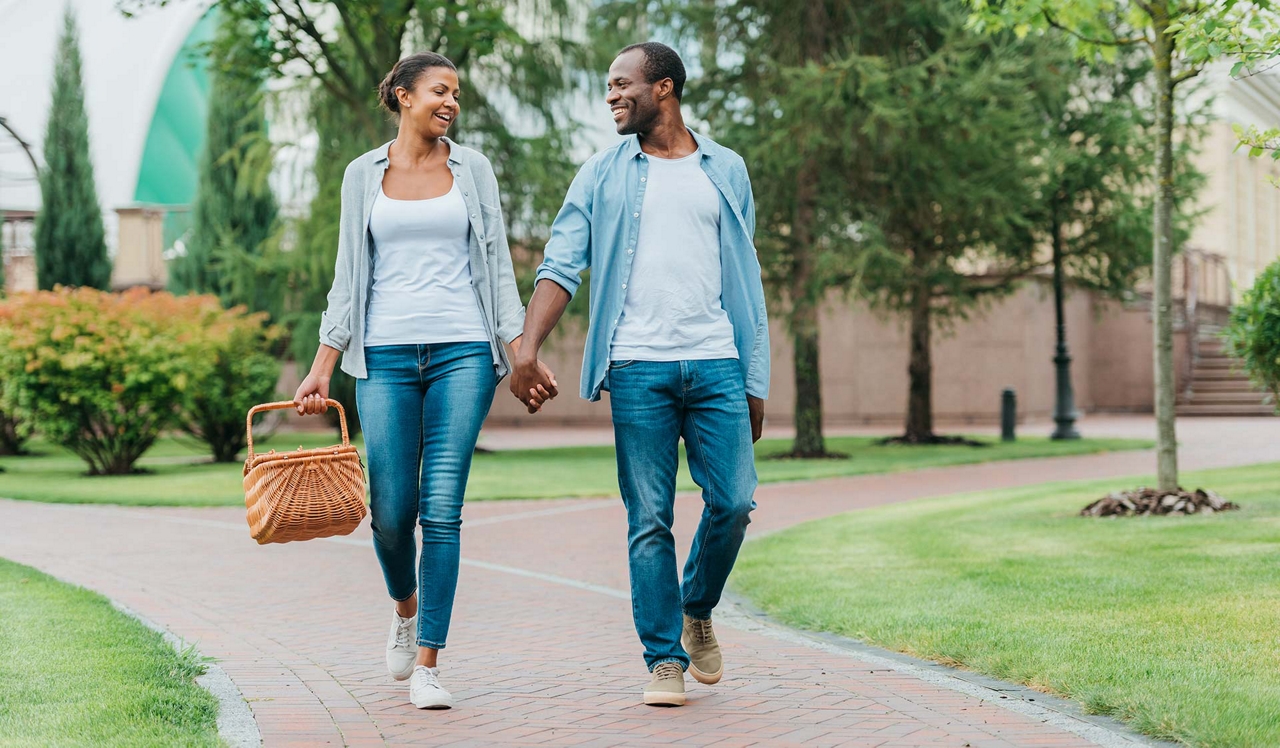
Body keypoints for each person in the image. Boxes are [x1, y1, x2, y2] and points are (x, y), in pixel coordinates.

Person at [510, 41, 770, 707]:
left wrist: (755, 378)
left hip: (716, 360)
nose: (611, 96)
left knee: (735, 502)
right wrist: (527, 347)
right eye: (608, 86)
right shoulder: (600, 173)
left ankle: (697, 605)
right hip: (637, 368)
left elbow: (746, 278)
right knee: (649, 516)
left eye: (623, 84)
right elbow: (561, 263)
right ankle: (664, 660)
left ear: (665, 88)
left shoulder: (726, 170)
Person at [293, 52, 555, 710]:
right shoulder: (362, 176)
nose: (452, 103)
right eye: (440, 91)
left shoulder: (473, 170)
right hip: (383, 357)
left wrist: (518, 351)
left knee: (441, 507)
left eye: (457, 94)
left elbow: (497, 269)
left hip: (462, 353)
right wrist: (323, 366)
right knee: (389, 515)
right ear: (403, 96)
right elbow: (348, 278)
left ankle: (430, 662)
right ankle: (405, 611)